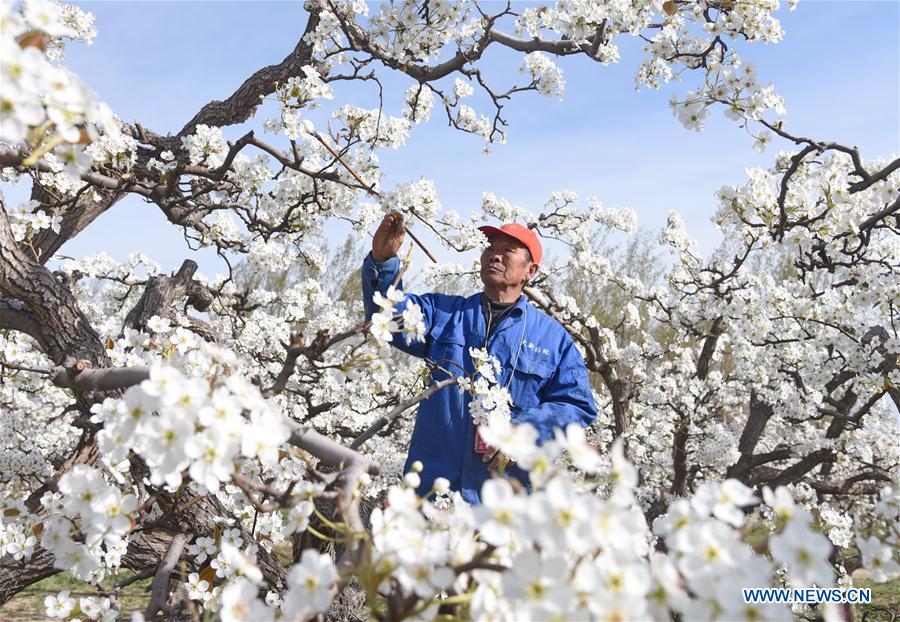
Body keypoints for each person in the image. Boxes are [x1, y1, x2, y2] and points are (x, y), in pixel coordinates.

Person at [361, 214, 597, 504]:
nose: (495, 255)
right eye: (490, 247)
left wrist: (524, 433)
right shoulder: (444, 314)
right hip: (429, 499)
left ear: (530, 271)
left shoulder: (553, 339)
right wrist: (383, 262)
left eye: (508, 250)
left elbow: (576, 405)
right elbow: (387, 320)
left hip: (501, 510)